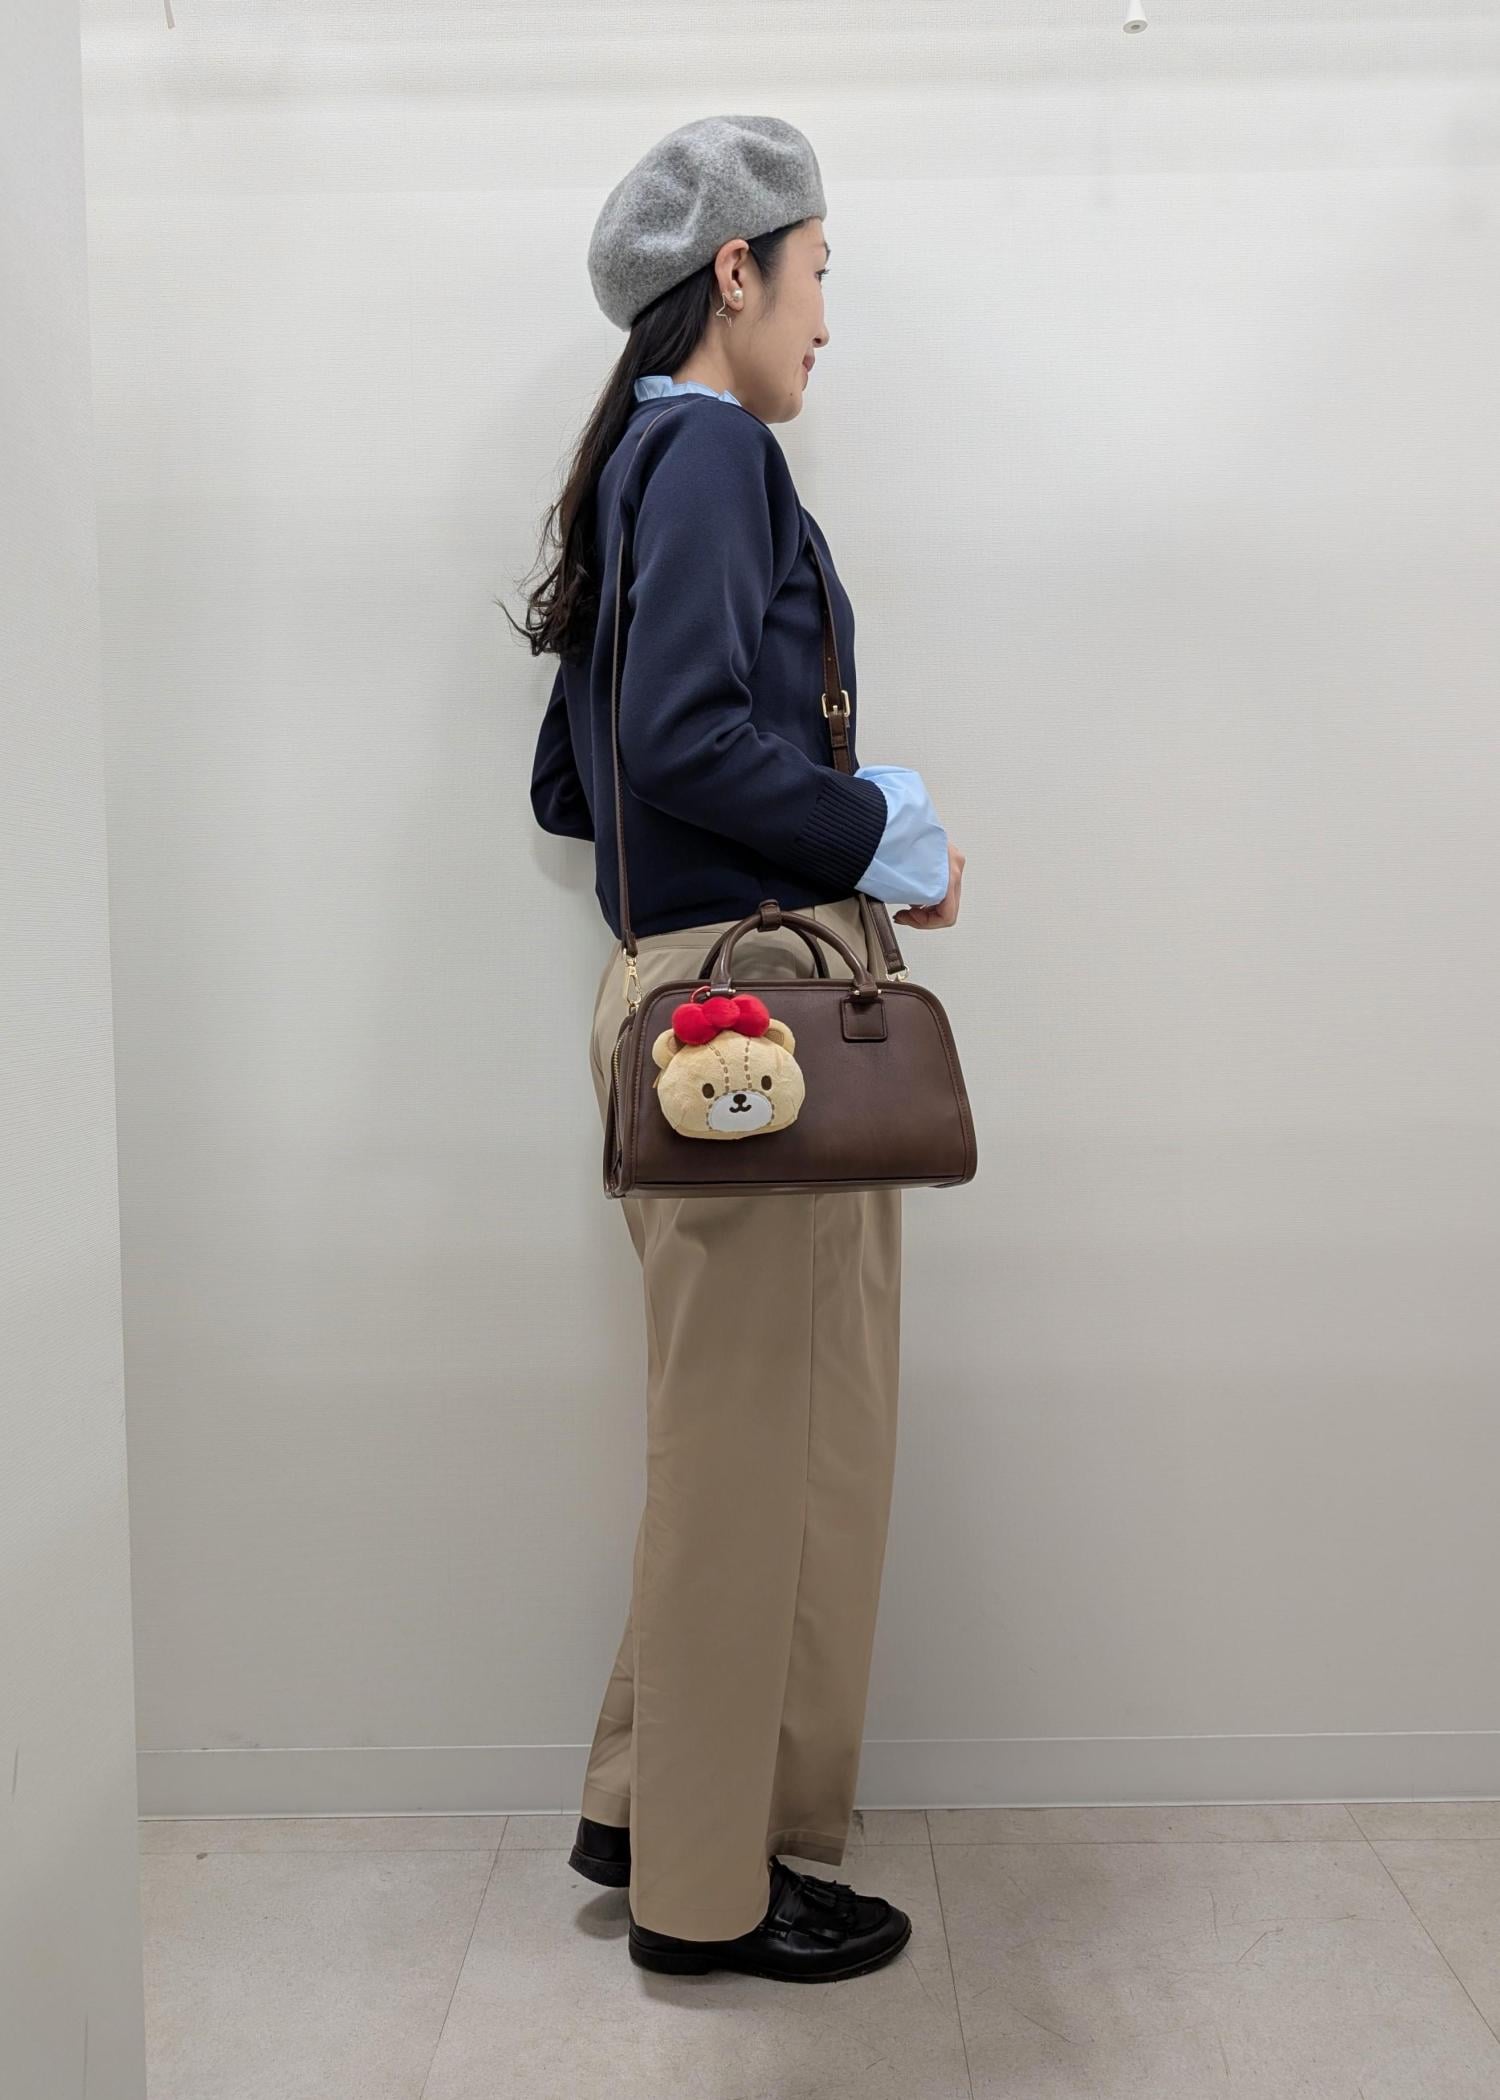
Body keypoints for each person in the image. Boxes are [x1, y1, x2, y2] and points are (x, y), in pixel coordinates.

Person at [512, 114, 964, 1983]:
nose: (826, 321)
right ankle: (707, 1892)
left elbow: (577, 785)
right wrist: (876, 833)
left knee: (728, 1445)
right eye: (818, 275)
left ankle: (649, 1808)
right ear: (735, 269)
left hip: (686, 997)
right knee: (763, 1459)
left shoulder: (635, 465)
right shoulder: (709, 455)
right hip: (749, 1011)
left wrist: (820, 823)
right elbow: (680, 743)